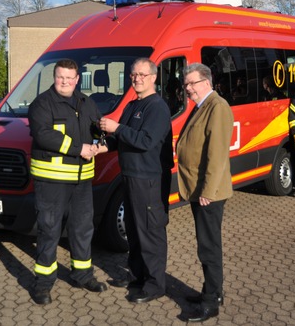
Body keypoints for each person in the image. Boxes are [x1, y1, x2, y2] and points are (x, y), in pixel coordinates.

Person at [27, 59, 107, 306]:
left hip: (82, 181)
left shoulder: (86, 102)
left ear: (77, 79)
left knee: (83, 229)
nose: (65, 82)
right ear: (55, 77)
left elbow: (96, 126)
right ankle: (43, 283)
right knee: (49, 230)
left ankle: (82, 275)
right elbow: (43, 135)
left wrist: (101, 140)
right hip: (52, 181)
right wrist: (79, 148)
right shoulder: (42, 104)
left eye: (70, 78)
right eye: (61, 77)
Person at [99, 58, 173, 304]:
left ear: (153, 77)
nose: (137, 78)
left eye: (142, 74)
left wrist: (117, 128)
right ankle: (138, 276)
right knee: (134, 230)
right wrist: (102, 146)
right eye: (133, 75)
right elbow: (123, 139)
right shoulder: (132, 105)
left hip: (148, 180)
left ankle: (155, 285)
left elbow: (146, 141)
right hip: (130, 177)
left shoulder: (157, 107)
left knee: (150, 232)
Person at [176, 63, 233, 323]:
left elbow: (217, 153)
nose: (188, 89)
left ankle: (211, 302)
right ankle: (212, 291)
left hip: (208, 192)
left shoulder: (217, 107)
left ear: (206, 82)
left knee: (209, 247)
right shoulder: (202, 106)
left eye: (192, 83)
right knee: (206, 244)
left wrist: (208, 190)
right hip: (199, 189)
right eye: (186, 84)